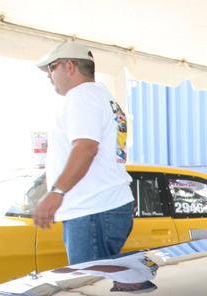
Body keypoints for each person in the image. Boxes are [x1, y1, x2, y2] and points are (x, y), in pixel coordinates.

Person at [33, 41, 134, 265]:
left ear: (69, 66)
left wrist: (56, 193)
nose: (49, 75)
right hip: (102, 208)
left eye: (52, 67)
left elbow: (86, 147)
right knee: (102, 280)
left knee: (90, 282)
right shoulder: (102, 96)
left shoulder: (81, 96)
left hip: (92, 209)